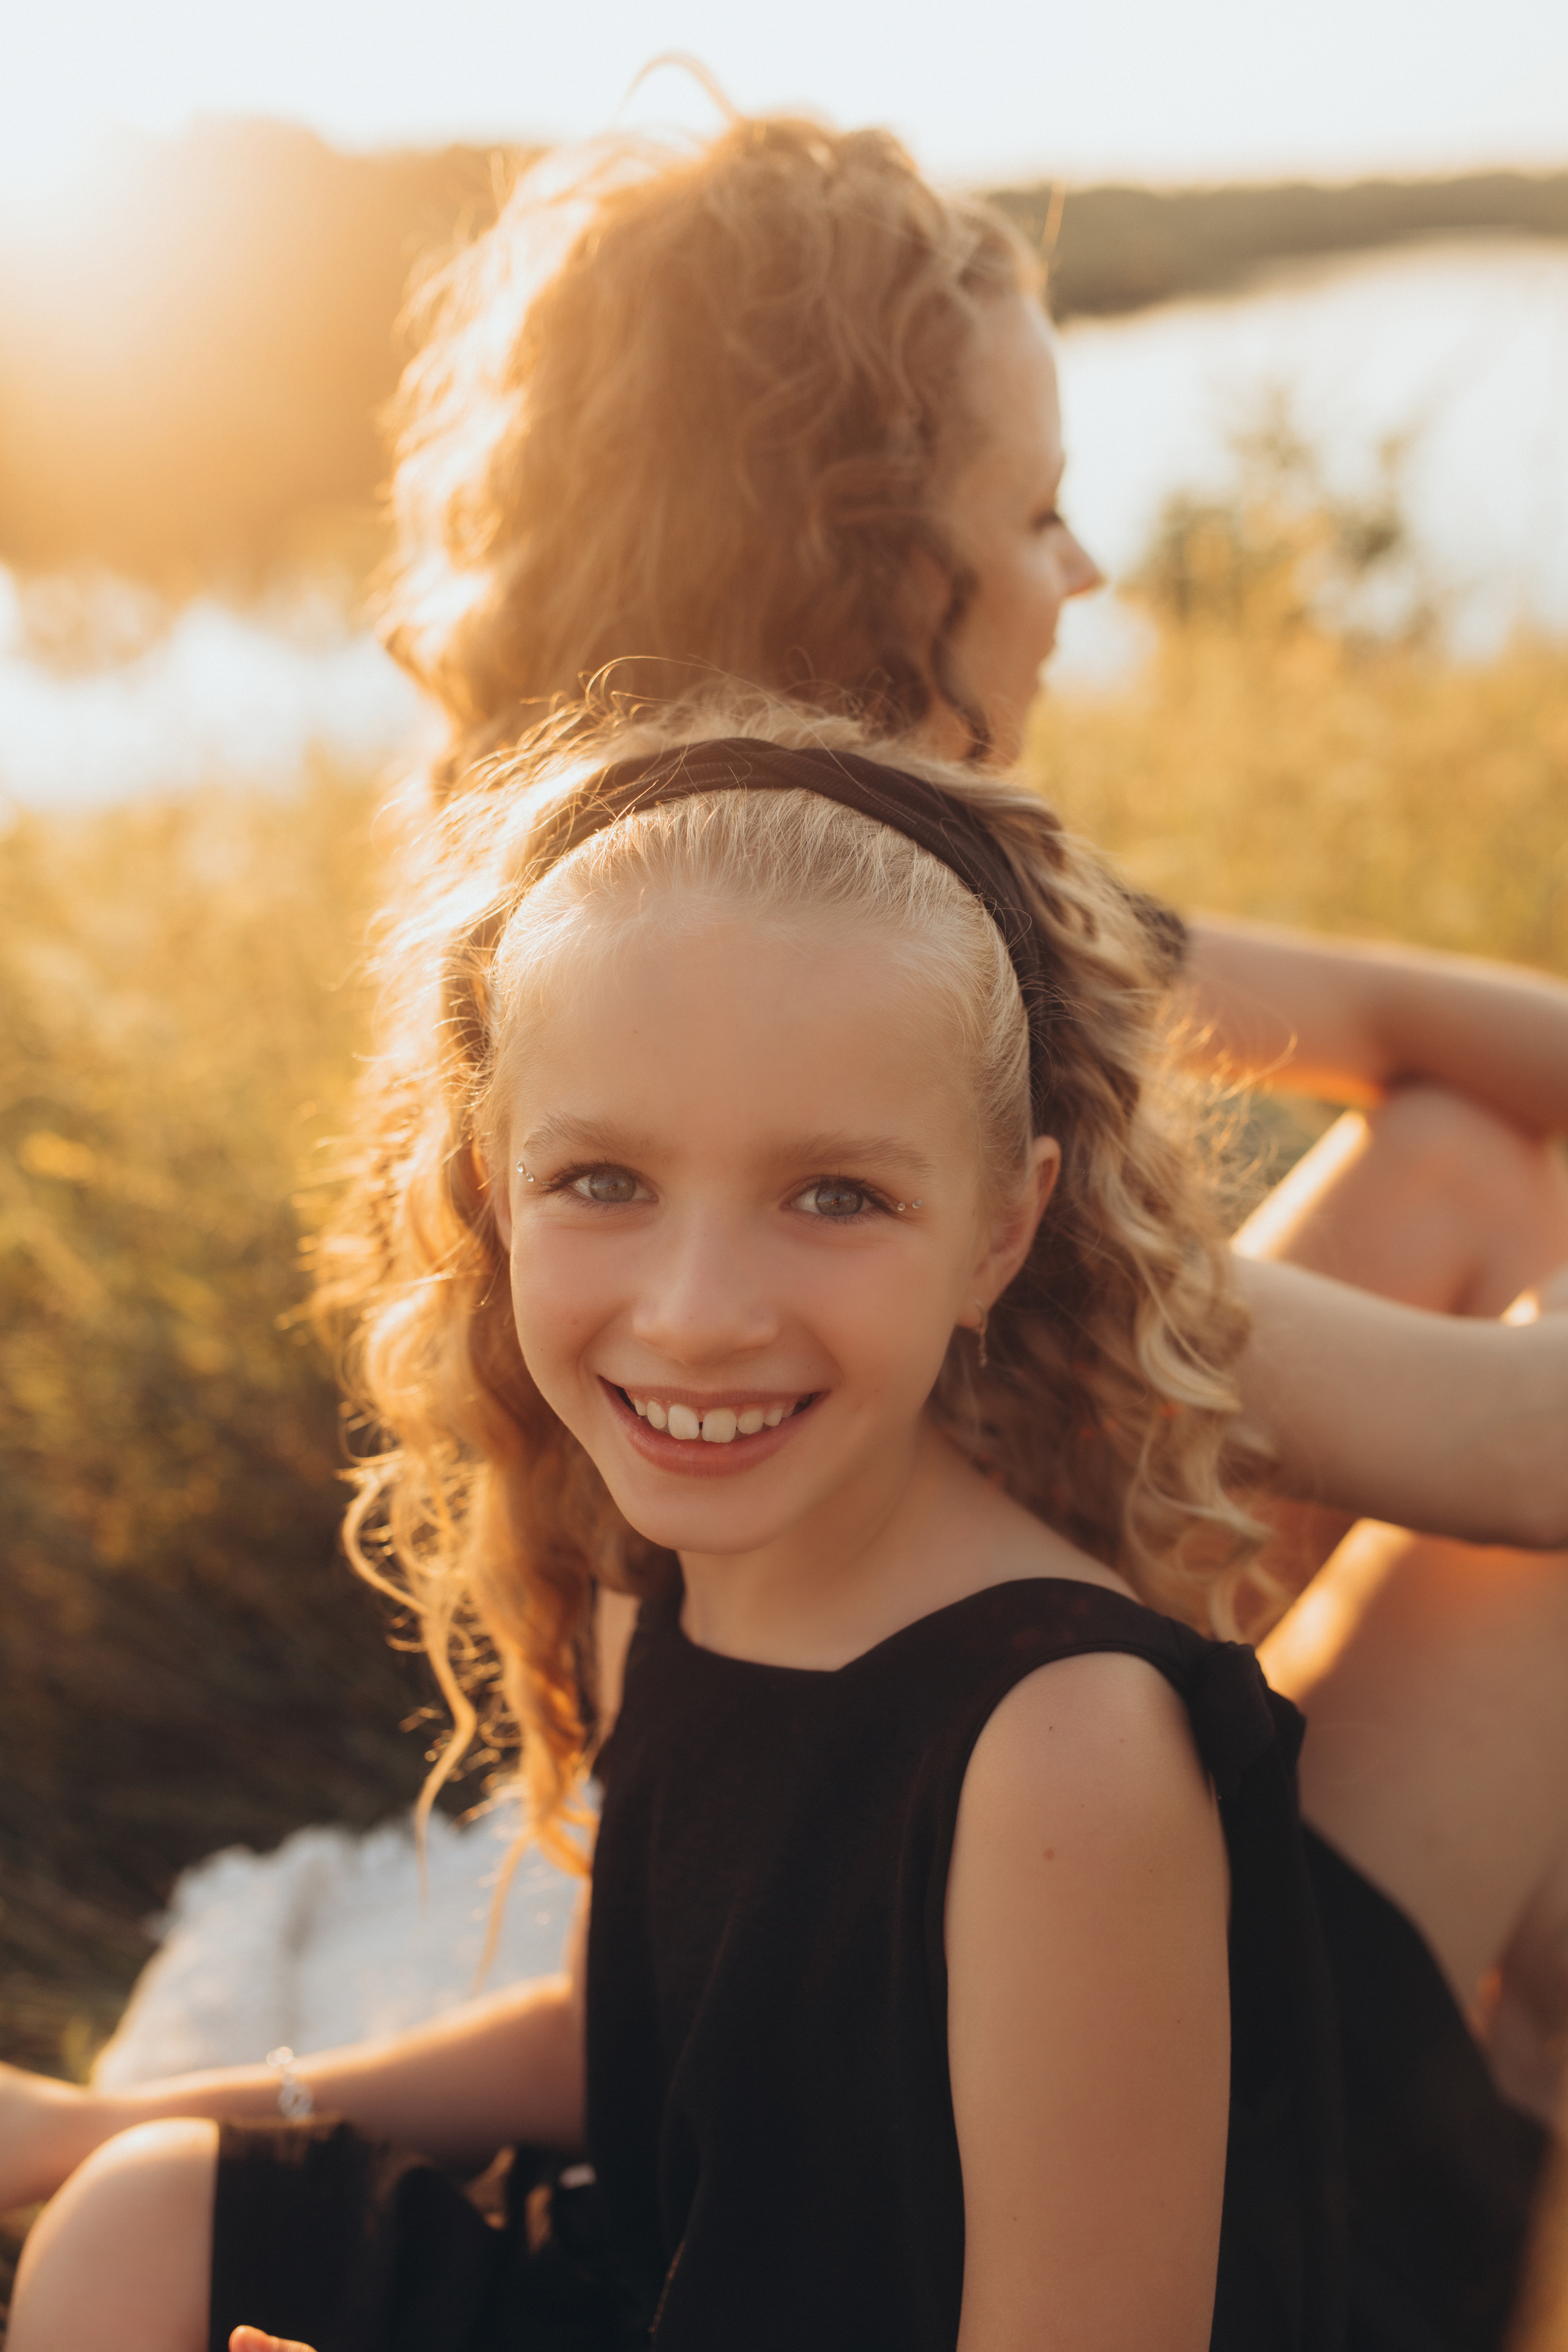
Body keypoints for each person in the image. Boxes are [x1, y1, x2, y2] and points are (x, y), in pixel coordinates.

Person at [5, 704, 1546, 2352]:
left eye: (836, 1197)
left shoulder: (1066, 1750)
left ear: (1001, 1230)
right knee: (151, 2210)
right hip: (683, 2288)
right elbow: (623, 2055)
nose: (698, 1314)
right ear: (486, 1178)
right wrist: (94, 2127)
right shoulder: (656, 1568)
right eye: (603, 1180)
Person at [377, 111, 1568, 2119]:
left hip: (948, 1821)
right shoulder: (863, 1069)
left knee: (1457, 1154)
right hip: (1037, 2032)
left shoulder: (632, 918)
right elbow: (1529, 1460)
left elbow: (1404, 1022)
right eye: (1036, 518)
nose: (1082, 572)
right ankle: (1502, 2130)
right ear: (871, 568)